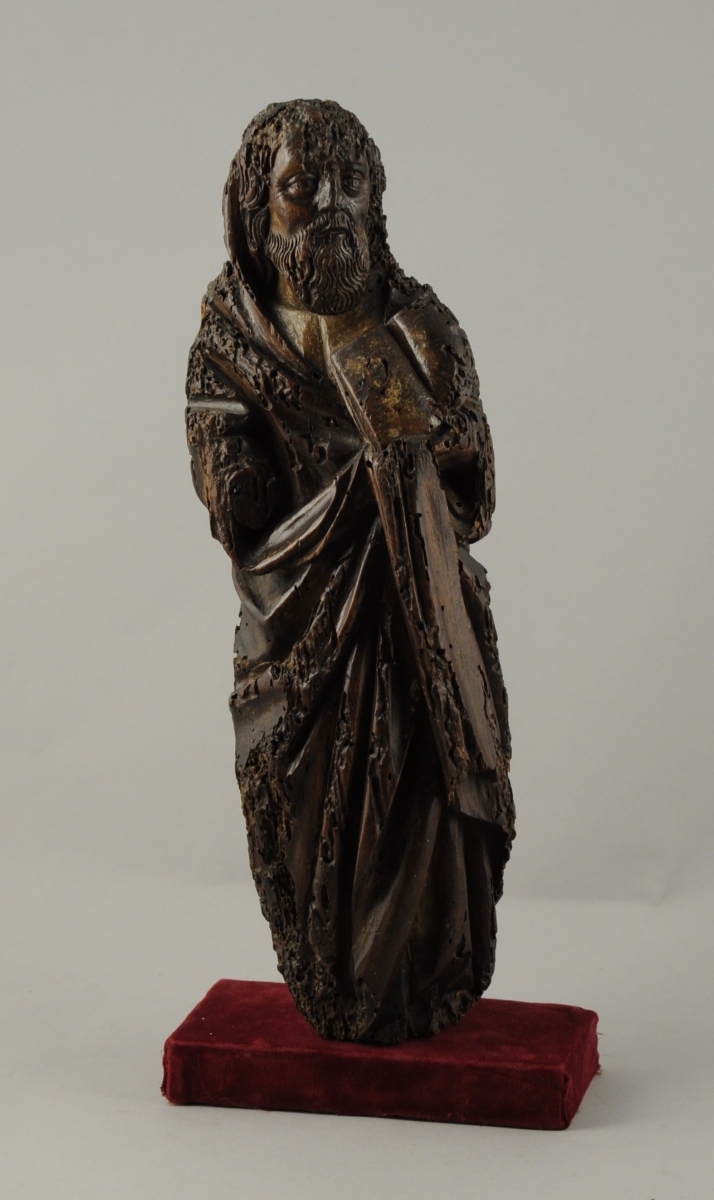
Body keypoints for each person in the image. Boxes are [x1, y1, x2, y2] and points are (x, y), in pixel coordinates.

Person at [186, 99, 514, 1043]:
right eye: (302, 186)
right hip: (299, 625)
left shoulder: (419, 324)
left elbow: (473, 481)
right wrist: (234, 478)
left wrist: (419, 453)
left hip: (418, 620)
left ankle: (428, 976)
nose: (331, 204)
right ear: (258, 211)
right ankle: (335, 977)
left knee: (419, 795)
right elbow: (220, 446)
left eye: (352, 184)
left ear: (377, 202)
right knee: (308, 809)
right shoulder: (234, 337)